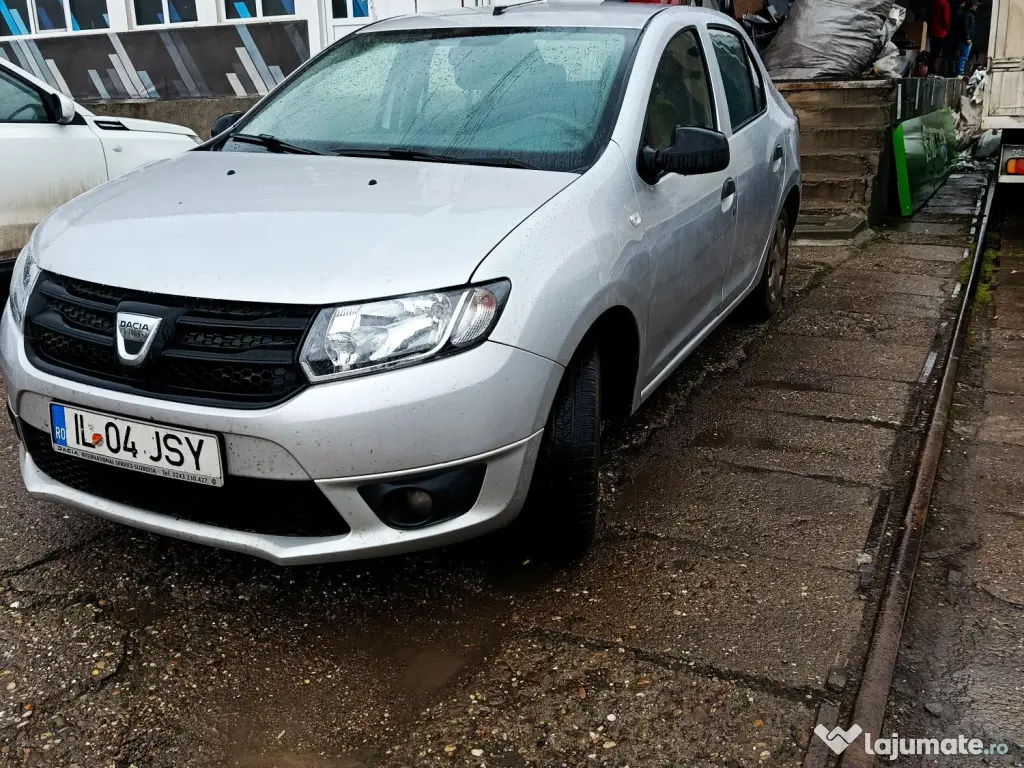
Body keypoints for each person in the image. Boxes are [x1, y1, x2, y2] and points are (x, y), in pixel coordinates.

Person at [952, 0, 978, 76]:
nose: (976, 7)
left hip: (965, 39)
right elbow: (965, 27)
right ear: (972, 5)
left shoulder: (967, 13)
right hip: (965, 39)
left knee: (963, 57)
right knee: (963, 57)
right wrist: (968, 37)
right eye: (975, 5)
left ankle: (960, 72)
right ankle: (960, 73)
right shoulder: (967, 14)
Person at [929, 0, 951, 74]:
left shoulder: (934, 2)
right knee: (942, 53)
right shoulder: (944, 4)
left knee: (933, 53)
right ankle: (940, 71)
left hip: (934, 31)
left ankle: (931, 70)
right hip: (942, 32)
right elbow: (946, 19)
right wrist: (947, 29)